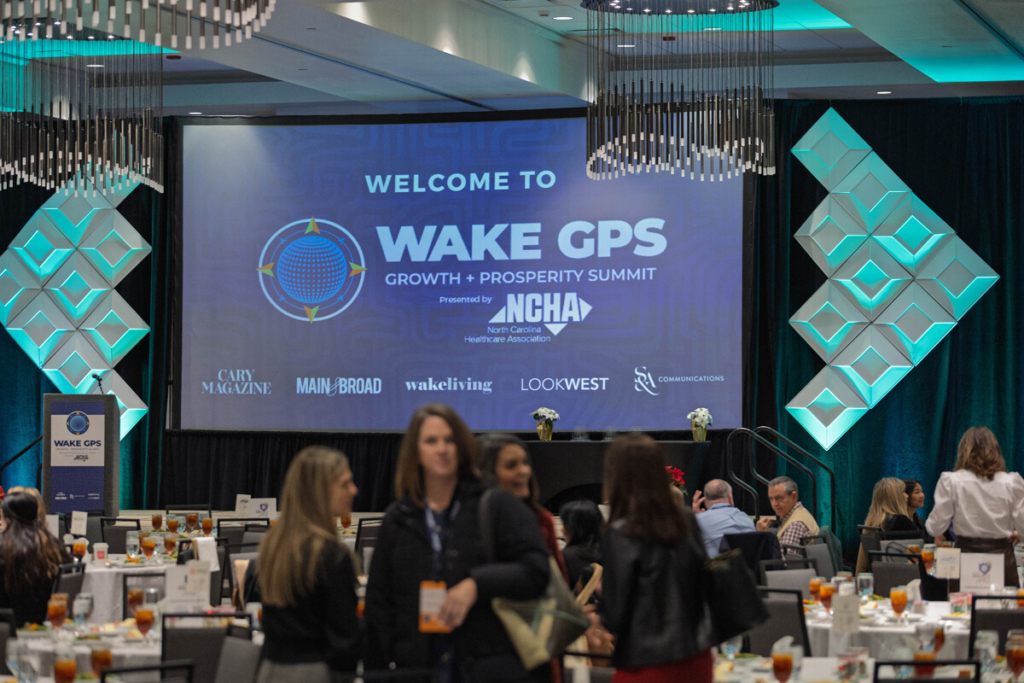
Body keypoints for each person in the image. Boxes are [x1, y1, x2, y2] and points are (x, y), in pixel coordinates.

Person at [364, 404, 550, 683]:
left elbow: (536, 571)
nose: (442, 449)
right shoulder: (398, 518)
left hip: (488, 667)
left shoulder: (496, 504)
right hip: (419, 669)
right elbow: (378, 607)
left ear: (462, 447)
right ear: (416, 452)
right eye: (431, 441)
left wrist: (476, 584)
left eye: (450, 440)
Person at [597, 434, 712, 683]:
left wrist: (602, 594)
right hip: (697, 656)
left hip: (645, 662)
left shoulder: (620, 531)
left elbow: (615, 617)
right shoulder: (687, 521)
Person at [255, 446, 361, 682]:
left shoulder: (273, 545)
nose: (354, 490)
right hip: (315, 673)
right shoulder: (333, 555)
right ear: (321, 491)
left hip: (270, 671)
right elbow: (343, 642)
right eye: (345, 484)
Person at [926, 426, 1024, 587]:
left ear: (963, 451)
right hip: (1002, 556)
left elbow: (935, 528)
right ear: (996, 451)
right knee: (1005, 603)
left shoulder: (951, 481)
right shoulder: (1012, 482)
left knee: (962, 603)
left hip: (965, 555)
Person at [479, 433, 569, 582]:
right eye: (511, 465)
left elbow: (559, 581)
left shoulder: (542, 519)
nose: (524, 471)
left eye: (525, 463)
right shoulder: (467, 517)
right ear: (487, 472)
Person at [0, 491, 69, 626]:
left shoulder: (5, 552)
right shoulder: (54, 547)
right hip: (47, 623)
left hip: (8, 628)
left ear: (8, 521)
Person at [855, 477, 919, 574]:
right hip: (901, 578)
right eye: (903, 492)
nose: (907, 496)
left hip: (878, 578)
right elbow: (921, 551)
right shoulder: (901, 521)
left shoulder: (871, 523)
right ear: (894, 498)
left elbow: (861, 566)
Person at [691, 479, 756, 558]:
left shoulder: (698, 520)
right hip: (747, 565)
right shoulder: (745, 518)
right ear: (730, 497)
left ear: (704, 501)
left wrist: (694, 517)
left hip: (715, 565)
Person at [756, 476, 819, 548]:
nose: (774, 504)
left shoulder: (795, 525)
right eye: (771, 499)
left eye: (779, 498)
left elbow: (783, 555)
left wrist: (762, 536)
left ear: (794, 496)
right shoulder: (800, 513)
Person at [558, 500, 603, 593]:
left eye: (565, 525)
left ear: (576, 528)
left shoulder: (565, 557)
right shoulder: (611, 553)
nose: (562, 530)